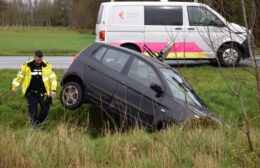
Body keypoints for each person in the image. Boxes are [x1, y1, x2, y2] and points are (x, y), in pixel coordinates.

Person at [11, 50, 57, 127]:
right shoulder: (27, 65)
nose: (39, 61)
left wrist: (53, 90)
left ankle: (36, 124)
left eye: (41, 59)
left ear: (42, 57)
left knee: (45, 111)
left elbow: (53, 78)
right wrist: (14, 88)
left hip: (43, 93)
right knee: (33, 114)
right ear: (34, 57)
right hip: (31, 93)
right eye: (37, 60)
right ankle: (35, 129)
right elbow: (19, 77)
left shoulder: (47, 65)